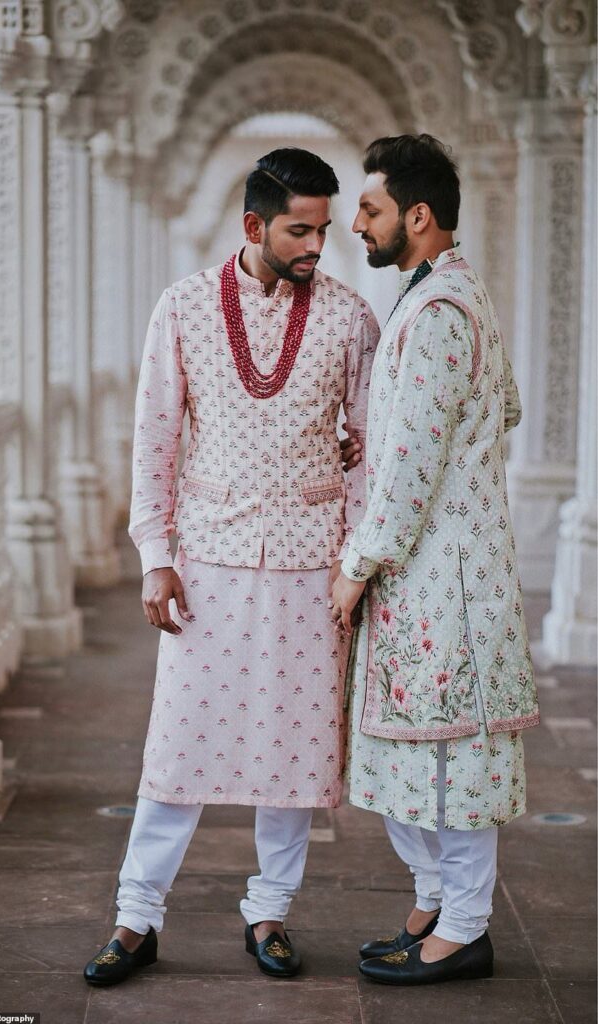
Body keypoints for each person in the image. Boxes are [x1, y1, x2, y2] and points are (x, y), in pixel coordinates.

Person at [83, 147, 379, 986]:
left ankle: (270, 913)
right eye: (300, 229)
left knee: (294, 757)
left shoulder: (352, 319)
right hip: (207, 560)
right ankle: (135, 917)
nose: (318, 244)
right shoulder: (180, 309)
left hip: (311, 565)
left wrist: (354, 565)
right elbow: (156, 440)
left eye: (325, 228)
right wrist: (153, 558)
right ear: (254, 226)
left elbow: (367, 454)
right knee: (176, 748)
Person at [331, 134, 539, 985]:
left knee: (453, 757)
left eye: (371, 209)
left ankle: (464, 927)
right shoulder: (453, 298)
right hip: (435, 567)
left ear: (418, 217)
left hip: (439, 574)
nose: (356, 224)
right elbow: (507, 410)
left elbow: (414, 465)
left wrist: (358, 563)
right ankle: (431, 907)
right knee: (415, 753)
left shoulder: (442, 313)